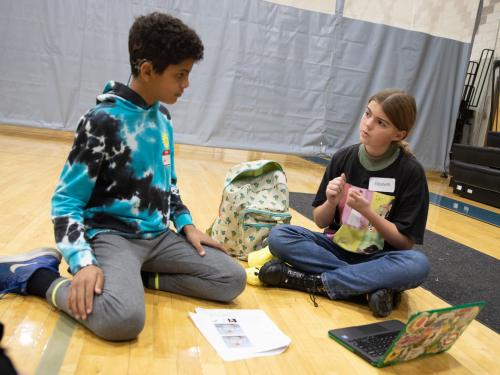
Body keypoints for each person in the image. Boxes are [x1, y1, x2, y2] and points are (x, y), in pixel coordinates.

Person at [0, 12, 246, 341]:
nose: (186, 85)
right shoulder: (102, 120)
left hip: (158, 239)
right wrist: (82, 261)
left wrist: (187, 224)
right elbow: (66, 200)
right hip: (110, 237)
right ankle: (36, 277)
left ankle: (131, 280)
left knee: (232, 279)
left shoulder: (163, 118)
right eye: (180, 75)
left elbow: (168, 184)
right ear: (147, 70)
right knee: (123, 319)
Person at [258, 89, 430, 317]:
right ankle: (367, 287)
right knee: (280, 235)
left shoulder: (410, 172)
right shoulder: (343, 158)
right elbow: (320, 221)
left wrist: (369, 213)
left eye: (380, 123)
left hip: (379, 258)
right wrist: (331, 201)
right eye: (367, 114)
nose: (367, 124)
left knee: (418, 264)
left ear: (399, 134)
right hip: (335, 249)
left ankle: (310, 281)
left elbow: (405, 244)